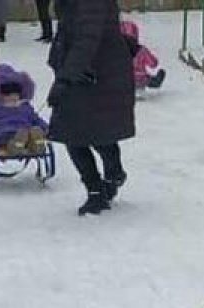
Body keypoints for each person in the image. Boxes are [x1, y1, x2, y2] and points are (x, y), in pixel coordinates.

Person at [46, 0, 135, 216]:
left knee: (94, 133)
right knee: (73, 133)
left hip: (101, 74)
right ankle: (96, 188)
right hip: (80, 71)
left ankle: (111, 174)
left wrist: (65, 79)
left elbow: (87, 39)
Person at [119, 19, 166, 92]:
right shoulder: (142, 50)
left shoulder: (116, 52)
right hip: (141, 79)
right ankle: (155, 81)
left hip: (122, 80)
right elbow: (153, 63)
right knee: (146, 78)